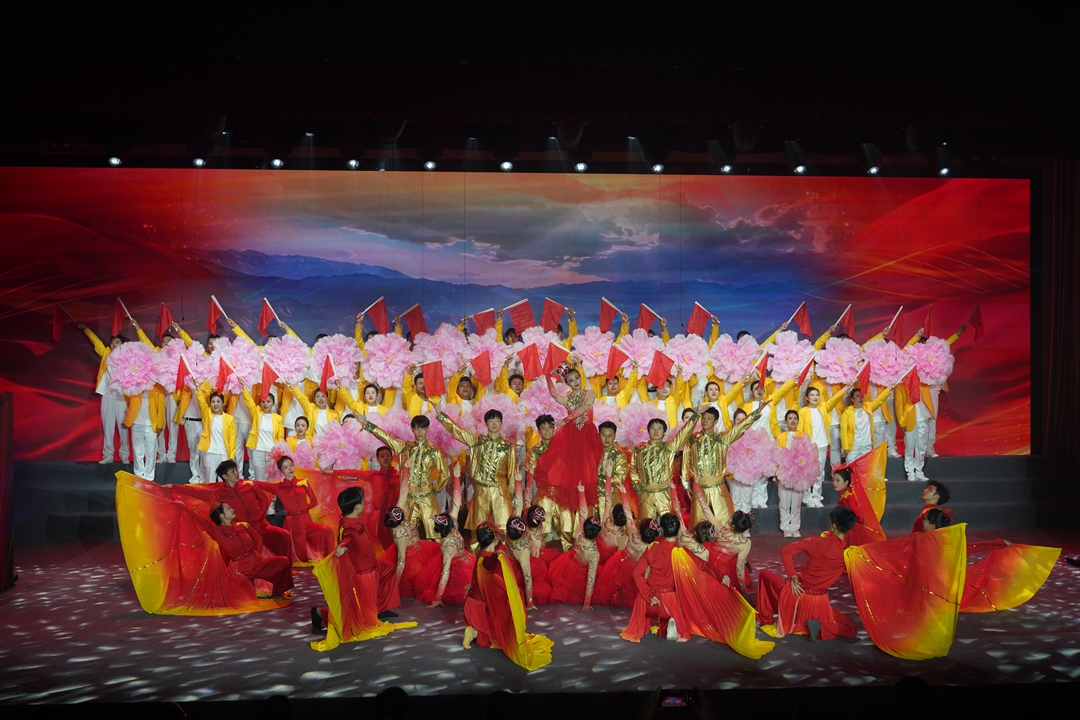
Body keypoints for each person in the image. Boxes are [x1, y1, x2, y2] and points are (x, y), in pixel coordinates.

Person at [309, 487, 417, 650]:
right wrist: (343, 548)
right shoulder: (350, 528)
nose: (364, 503)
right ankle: (319, 613)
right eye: (362, 501)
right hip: (363, 574)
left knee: (388, 570)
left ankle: (378, 609)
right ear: (357, 507)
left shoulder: (350, 520)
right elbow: (348, 540)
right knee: (355, 619)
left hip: (374, 567)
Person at [755, 506, 859, 642]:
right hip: (820, 603)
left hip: (796, 594)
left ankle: (764, 619)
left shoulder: (816, 542)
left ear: (833, 526)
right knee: (851, 629)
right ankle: (820, 626)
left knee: (764, 574)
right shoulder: (849, 554)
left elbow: (785, 551)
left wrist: (792, 576)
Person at [462, 523, 554, 671]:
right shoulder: (490, 560)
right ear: (495, 539)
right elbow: (491, 567)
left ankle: (474, 630)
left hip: (472, 606)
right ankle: (474, 631)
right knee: (503, 635)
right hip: (478, 610)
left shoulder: (480, 555)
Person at [165, 459, 291, 559]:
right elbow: (194, 491)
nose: (236, 473)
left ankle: (285, 566)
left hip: (262, 526)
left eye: (236, 470)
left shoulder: (248, 485)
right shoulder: (219, 493)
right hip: (243, 532)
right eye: (232, 471)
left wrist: (260, 514)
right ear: (225, 476)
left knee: (283, 535)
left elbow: (263, 498)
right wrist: (173, 487)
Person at [360, 414, 450, 539]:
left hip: (427, 498)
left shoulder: (433, 451)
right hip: (408, 499)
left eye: (423, 428)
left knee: (436, 535)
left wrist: (435, 490)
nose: (420, 432)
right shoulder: (404, 447)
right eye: (417, 428)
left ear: (428, 429)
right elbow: (387, 438)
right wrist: (367, 424)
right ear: (412, 429)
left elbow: (445, 474)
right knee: (404, 536)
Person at [184, 502, 293, 598]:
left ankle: (278, 594)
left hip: (258, 563)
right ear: (221, 515)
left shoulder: (242, 525)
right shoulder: (217, 532)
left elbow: (259, 540)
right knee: (243, 598)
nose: (232, 509)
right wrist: (185, 508)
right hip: (241, 571)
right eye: (228, 508)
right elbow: (201, 520)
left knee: (283, 561)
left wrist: (256, 555)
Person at [535, 367, 603, 516]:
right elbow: (554, 394)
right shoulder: (567, 398)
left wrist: (566, 420)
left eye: (577, 378)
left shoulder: (590, 393)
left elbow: (584, 408)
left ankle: (586, 509)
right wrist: (548, 375)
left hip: (587, 436)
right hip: (571, 436)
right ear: (567, 383)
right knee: (571, 471)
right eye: (571, 380)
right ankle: (573, 507)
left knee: (588, 470)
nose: (575, 382)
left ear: (580, 378)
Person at [436, 405, 517, 532]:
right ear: (486, 423)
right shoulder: (478, 441)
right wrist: (440, 415)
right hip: (481, 490)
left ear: (501, 423)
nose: (494, 424)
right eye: (491, 420)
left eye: (497, 421)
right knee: (478, 529)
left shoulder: (508, 446)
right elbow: (458, 431)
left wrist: (511, 494)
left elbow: (512, 473)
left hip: (500, 490)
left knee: (504, 529)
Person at [684, 404, 761, 527]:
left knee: (724, 524)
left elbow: (740, 428)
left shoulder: (722, 438)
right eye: (703, 418)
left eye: (709, 418)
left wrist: (756, 413)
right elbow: (686, 461)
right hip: (698, 487)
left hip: (717, 487)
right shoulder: (692, 439)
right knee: (699, 526)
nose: (705, 420)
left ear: (715, 422)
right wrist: (686, 482)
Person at [253, 456, 335, 563]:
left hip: (307, 521)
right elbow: (260, 484)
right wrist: (242, 482)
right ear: (281, 470)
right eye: (286, 467)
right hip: (294, 524)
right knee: (302, 558)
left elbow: (314, 501)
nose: (290, 469)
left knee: (327, 530)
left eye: (291, 465)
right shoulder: (278, 487)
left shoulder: (303, 482)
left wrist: (302, 509)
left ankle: (329, 560)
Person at [622, 513, 689, 641]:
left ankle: (647, 624)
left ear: (662, 530)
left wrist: (649, 596)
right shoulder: (681, 550)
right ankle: (671, 621)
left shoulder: (653, 546)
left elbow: (636, 573)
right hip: (669, 605)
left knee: (642, 593)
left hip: (649, 603)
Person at [416, 466, 476, 606]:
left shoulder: (448, 541)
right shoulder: (452, 530)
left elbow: (445, 572)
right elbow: (456, 501)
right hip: (463, 564)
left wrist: (438, 597)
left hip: (459, 571)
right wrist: (456, 479)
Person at [629, 412, 699, 520]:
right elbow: (632, 469)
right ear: (648, 431)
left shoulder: (668, 447)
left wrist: (696, 415)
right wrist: (639, 490)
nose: (656, 431)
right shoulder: (639, 448)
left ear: (664, 432)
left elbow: (683, 435)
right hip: (645, 494)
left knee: (668, 524)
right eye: (653, 428)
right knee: (645, 525)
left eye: (659, 428)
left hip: (664, 494)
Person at [77, 323, 130, 463]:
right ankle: (108, 455)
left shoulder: (129, 359)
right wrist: (86, 329)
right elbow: (97, 342)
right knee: (108, 427)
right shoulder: (106, 354)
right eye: (112, 342)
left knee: (124, 428)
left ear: (123, 345)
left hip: (123, 398)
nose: (114, 345)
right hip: (108, 396)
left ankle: (125, 454)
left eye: (117, 342)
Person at [547, 484, 602, 610]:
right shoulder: (594, 554)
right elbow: (591, 578)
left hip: (567, 565)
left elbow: (583, 511)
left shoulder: (579, 529)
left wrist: (581, 492)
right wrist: (587, 602)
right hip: (578, 578)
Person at [524, 414, 573, 550]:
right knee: (541, 527)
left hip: (562, 492)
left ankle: (568, 556)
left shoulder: (564, 448)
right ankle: (540, 554)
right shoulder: (534, 451)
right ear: (538, 431)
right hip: (544, 492)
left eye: (550, 427)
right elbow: (533, 474)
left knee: (567, 527)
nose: (547, 431)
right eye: (543, 428)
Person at [796, 384, 849, 508]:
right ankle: (807, 497)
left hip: (822, 444)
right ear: (807, 398)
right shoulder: (802, 412)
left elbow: (834, 399)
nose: (815, 397)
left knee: (819, 472)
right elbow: (799, 430)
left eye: (817, 395)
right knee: (807, 472)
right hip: (808, 447)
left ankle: (817, 497)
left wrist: (844, 390)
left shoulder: (823, 408)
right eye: (812, 395)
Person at [692, 485, 753, 593]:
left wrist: (697, 487)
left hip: (708, 559)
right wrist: (742, 587)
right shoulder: (746, 543)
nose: (729, 517)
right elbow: (739, 568)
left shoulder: (720, 529)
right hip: (725, 569)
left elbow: (706, 510)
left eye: (730, 517)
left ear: (732, 525)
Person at [239, 378, 284, 481]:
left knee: (270, 478)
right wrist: (244, 387)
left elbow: (280, 438)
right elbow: (249, 402)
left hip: (272, 452)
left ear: (273, 403)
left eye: (268, 401)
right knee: (259, 478)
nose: (265, 404)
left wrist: (279, 453)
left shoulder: (278, 418)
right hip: (258, 451)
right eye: (263, 401)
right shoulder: (256, 413)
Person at [195, 382, 237, 487]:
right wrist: (198, 388)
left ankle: (224, 498)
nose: (215, 404)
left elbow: (232, 439)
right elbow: (201, 402)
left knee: (224, 482)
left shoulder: (229, 419)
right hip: (210, 452)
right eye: (213, 402)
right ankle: (211, 498)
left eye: (218, 401)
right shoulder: (207, 415)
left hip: (224, 453)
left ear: (223, 403)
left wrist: (231, 456)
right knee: (210, 480)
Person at [840, 386, 892, 464]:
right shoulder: (846, 413)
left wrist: (890, 388)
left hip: (866, 445)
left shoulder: (868, 407)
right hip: (853, 447)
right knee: (852, 468)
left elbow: (880, 399)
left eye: (861, 396)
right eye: (857, 396)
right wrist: (845, 448)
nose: (860, 398)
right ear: (852, 399)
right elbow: (843, 432)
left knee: (866, 468)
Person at [831, 467, 883, 545]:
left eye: (838, 480)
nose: (834, 483)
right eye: (833, 480)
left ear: (846, 482)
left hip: (850, 530)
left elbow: (857, 514)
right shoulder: (844, 495)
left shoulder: (848, 496)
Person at [595, 421, 631, 520]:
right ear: (599, 435)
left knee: (608, 525)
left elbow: (619, 478)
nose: (606, 439)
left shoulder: (619, 455)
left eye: (610, 436)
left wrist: (598, 480)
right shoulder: (592, 452)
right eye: (603, 435)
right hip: (591, 497)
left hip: (610, 497)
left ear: (614, 436)